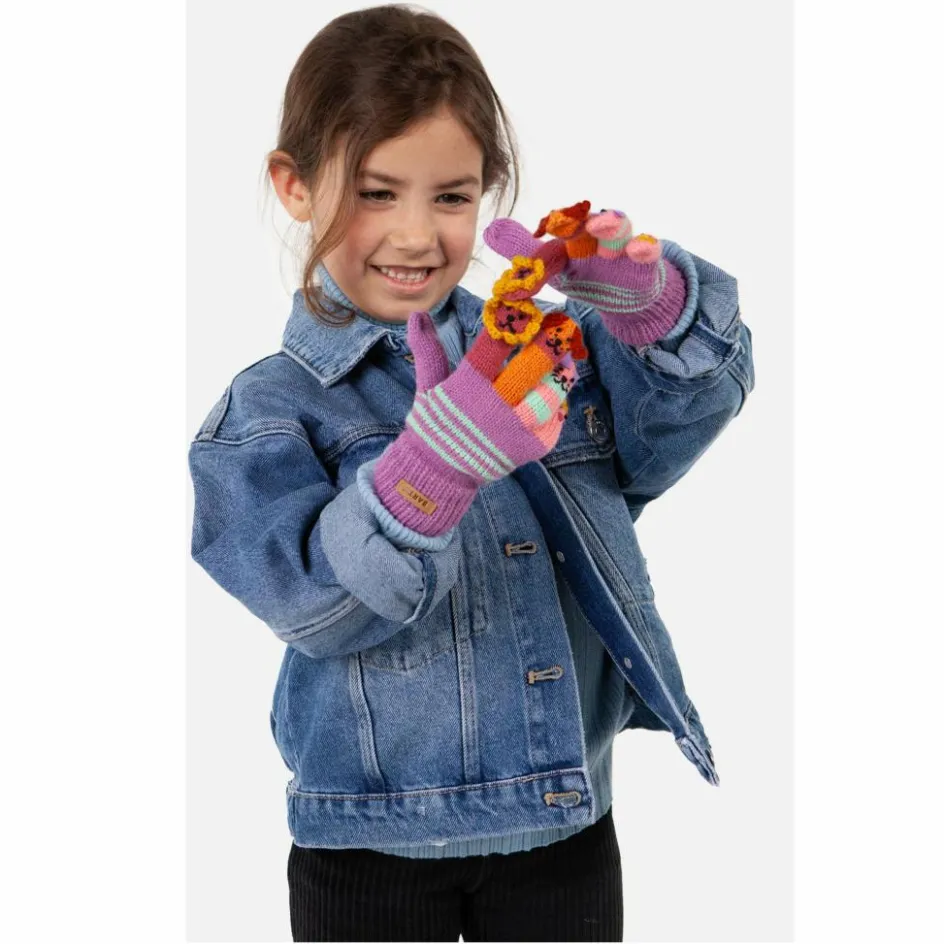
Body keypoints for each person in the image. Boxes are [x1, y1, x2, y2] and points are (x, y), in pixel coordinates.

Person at [187, 4, 756, 941]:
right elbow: (316, 609)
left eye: (451, 197)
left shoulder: (542, 353)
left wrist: (652, 312)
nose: (416, 235)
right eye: (376, 193)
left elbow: (659, 447)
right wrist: (432, 468)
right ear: (294, 185)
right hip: (369, 844)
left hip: (564, 821)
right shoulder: (267, 413)